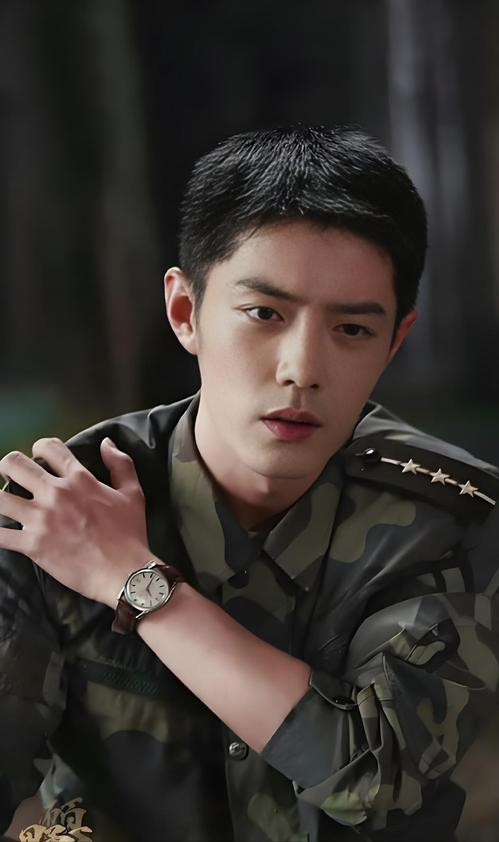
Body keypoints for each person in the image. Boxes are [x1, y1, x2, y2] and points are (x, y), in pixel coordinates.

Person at [0, 125, 498, 842]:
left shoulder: (449, 520)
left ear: (394, 340)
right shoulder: (60, 511)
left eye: (352, 330)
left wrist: (135, 582)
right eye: (264, 314)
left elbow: (377, 780)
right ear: (185, 312)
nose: (302, 369)